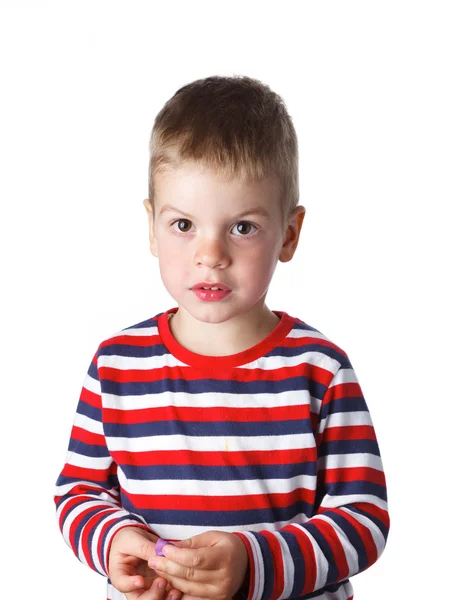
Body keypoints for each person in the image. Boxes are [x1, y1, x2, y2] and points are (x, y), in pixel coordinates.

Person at [54, 74, 390, 600]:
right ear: (151, 226)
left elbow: (363, 520)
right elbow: (79, 493)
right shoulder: (116, 366)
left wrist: (252, 564)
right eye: (184, 225)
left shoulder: (319, 370)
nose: (210, 254)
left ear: (290, 233)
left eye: (243, 227)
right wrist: (116, 540)